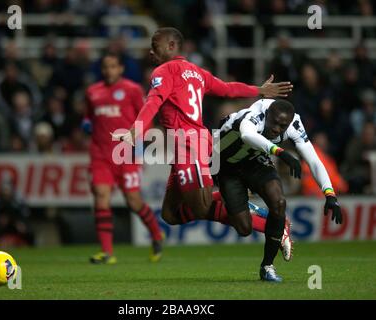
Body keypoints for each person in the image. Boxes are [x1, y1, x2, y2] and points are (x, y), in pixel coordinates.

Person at [113, 28, 293, 267]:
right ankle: (239, 201)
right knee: (170, 215)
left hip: (190, 145)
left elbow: (153, 102)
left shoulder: (163, 71)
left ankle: (276, 226)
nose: (150, 51)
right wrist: (257, 90)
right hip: (187, 145)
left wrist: (135, 131)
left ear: (170, 46)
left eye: (154, 45)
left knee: (201, 208)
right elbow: (227, 89)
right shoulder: (196, 72)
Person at [216, 98, 343, 282]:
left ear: (289, 123)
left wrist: (329, 194)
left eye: (282, 125)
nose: (276, 128)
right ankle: (253, 208)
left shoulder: (294, 124)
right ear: (267, 115)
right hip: (226, 164)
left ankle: (267, 266)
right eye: (273, 123)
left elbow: (314, 160)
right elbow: (247, 136)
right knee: (244, 228)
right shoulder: (255, 114)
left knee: (279, 202)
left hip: (255, 160)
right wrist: (281, 153)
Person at [83, 52, 163, 264]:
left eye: (112, 66)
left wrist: (141, 148)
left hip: (126, 153)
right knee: (101, 197)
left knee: (134, 201)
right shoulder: (92, 92)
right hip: (100, 155)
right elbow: (88, 116)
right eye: (105, 67)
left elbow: (146, 119)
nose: (109, 70)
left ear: (120, 69)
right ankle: (107, 252)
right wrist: (86, 124)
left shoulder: (132, 90)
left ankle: (156, 234)